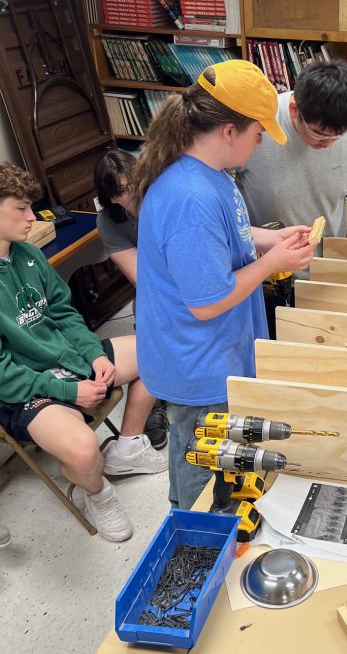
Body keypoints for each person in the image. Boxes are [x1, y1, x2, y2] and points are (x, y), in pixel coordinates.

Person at [132, 61, 315, 511]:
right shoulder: (189, 197)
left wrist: (268, 238)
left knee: (224, 463)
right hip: (198, 366)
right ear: (229, 130)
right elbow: (208, 303)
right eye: (258, 134)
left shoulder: (211, 173)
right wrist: (273, 262)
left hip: (215, 355)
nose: (259, 145)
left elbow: (227, 233)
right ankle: (197, 547)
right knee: (201, 476)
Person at [0, 163, 167, 543]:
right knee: (82, 450)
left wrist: (94, 355)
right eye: (21, 208)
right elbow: (3, 374)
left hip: (67, 359)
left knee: (161, 350)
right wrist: (69, 392)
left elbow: (62, 313)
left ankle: (128, 444)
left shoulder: (26, 254)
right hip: (23, 389)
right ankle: (97, 493)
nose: (32, 217)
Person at [237, 60, 347, 335]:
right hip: (263, 275)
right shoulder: (258, 123)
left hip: (323, 271)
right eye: (320, 135)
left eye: (338, 137)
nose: (328, 145)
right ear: (294, 109)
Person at [94, 149, 168, 449]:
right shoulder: (109, 221)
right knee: (151, 332)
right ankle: (157, 402)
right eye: (123, 191)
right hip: (156, 291)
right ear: (112, 198)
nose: (134, 194)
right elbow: (142, 278)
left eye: (135, 184)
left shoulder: (165, 194)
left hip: (191, 280)